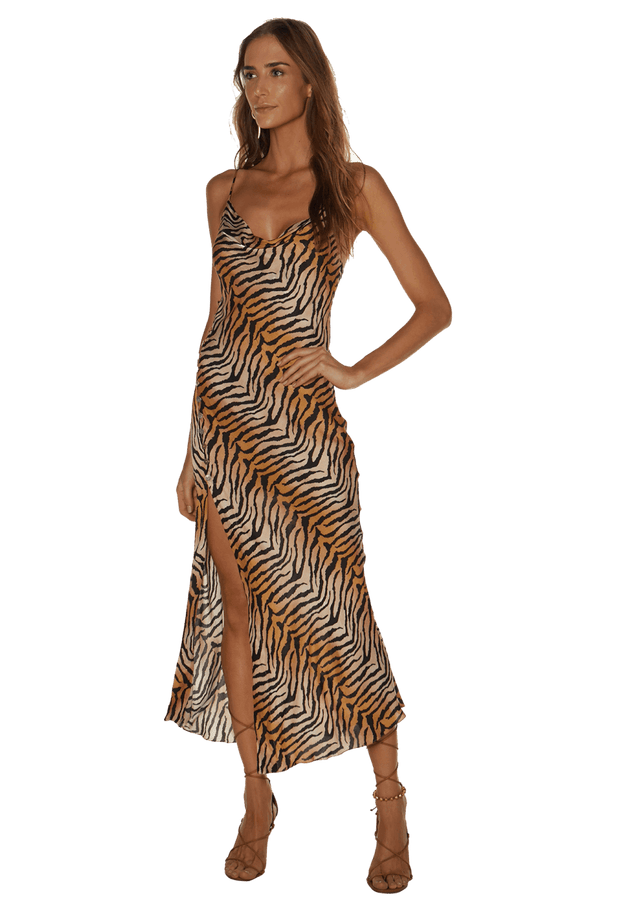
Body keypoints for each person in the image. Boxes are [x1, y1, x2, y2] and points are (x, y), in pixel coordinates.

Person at [163, 17, 452, 895]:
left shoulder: (354, 186)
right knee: (238, 616)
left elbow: (433, 305)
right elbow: (216, 320)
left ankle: (389, 800)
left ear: (312, 83)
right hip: (226, 434)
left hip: (304, 438)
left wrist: (354, 370)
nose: (257, 87)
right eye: (247, 74)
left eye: (275, 71)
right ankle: (256, 796)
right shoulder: (222, 189)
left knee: (339, 612)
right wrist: (189, 451)